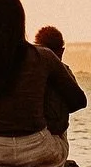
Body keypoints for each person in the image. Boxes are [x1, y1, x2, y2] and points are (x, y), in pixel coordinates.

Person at [0, 0, 86, 167]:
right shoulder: (43, 56)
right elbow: (78, 100)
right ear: (20, 21)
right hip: (40, 152)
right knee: (54, 82)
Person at [34, 24, 83, 158]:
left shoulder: (27, 71)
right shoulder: (64, 71)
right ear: (61, 51)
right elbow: (79, 102)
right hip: (52, 139)